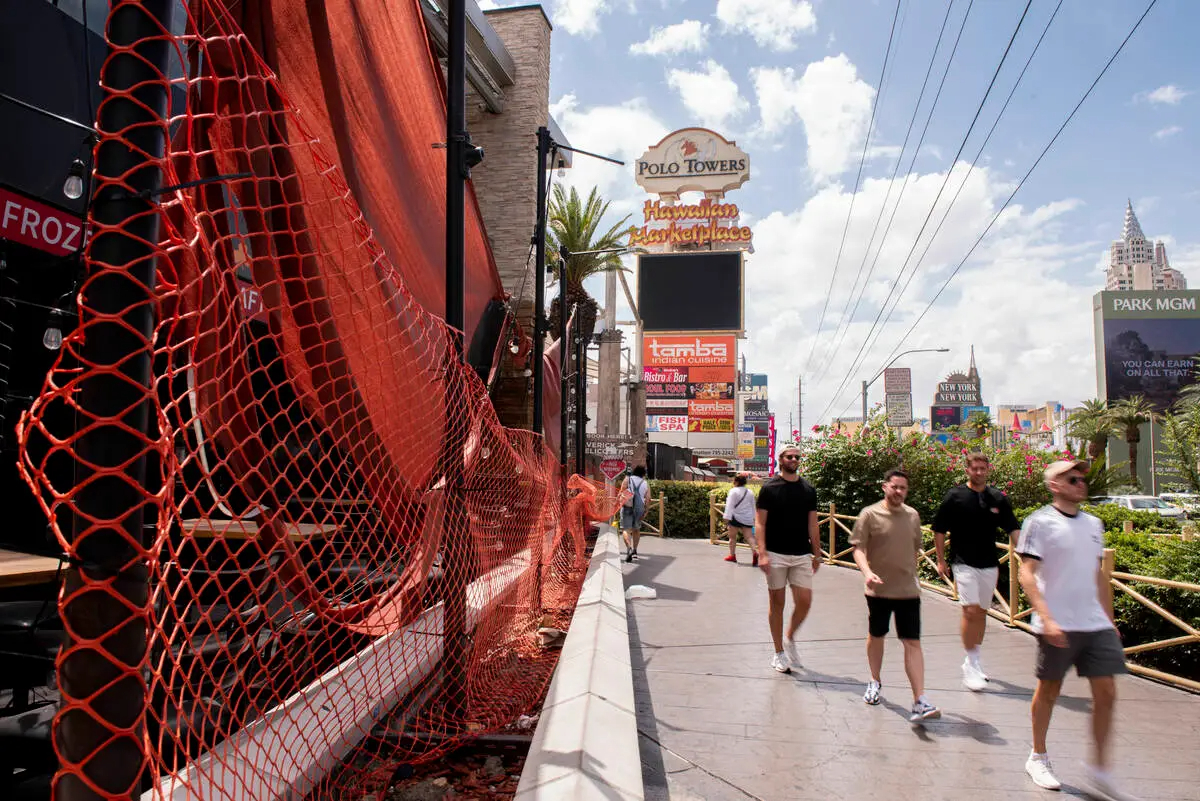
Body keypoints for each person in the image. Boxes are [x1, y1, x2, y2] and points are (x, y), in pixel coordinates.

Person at [1018, 460, 1137, 800]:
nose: (1080, 483)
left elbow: (1098, 575)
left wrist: (1109, 621)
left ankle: (1100, 769)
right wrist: (1047, 618)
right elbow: (1027, 573)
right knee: (1050, 690)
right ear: (1055, 485)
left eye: (1082, 478)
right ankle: (1037, 756)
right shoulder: (1039, 522)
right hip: (1056, 622)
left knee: (1107, 693)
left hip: (1094, 623)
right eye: (1072, 478)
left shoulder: (1093, 524)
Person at [851, 469, 941, 724]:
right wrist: (867, 572)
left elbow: (914, 551)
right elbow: (858, 548)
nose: (899, 492)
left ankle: (919, 700)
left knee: (912, 641)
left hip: (908, 592)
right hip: (878, 590)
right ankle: (875, 680)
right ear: (885, 487)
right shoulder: (869, 514)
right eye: (895, 487)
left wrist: (913, 577)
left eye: (903, 488)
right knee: (877, 635)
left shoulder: (912, 515)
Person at [932, 452, 1021, 691]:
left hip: (989, 563)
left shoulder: (997, 498)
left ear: (988, 469)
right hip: (963, 562)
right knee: (970, 611)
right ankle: (971, 664)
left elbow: (1013, 528)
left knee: (982, 613)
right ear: (967, 470)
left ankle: (974, 658)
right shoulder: (955, 496)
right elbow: (939, 529)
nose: (979, 472)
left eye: (983, 468)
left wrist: (1026, 554)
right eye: (975, 468)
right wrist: (941, 561)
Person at [754, 445, 821, 673]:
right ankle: (778, 652)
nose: (793, 459)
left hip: (802, 553)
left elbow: (813, 523)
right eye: (789, 456)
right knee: (777, 603)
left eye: (797, 457)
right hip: (775, 553)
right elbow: (760, 523)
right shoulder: (769, 488)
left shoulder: (808, 490)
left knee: (805, 600)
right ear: (780, 459)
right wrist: (762, 553)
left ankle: (790, 636)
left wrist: (818, 552)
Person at [722, 473, 758, 565]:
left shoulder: (733, 491)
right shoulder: (750, 492)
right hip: (747, 517)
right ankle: (755, 552)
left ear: (736, 482)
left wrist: (726, 517)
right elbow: (753, 506)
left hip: (735, 517)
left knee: (732, 537)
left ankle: (732, 555)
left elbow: (729, 505)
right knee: (749, 537)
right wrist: (754, 518)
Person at [619, 465, 650, 563]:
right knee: (636, 530)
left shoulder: (627, 479)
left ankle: (629, 548)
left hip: (627, 506)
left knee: (626, 530)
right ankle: (635, 551)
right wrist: (646, 510)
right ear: (643, 474)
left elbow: (621, 491)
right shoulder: (645, 483)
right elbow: (648, 498)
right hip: (639, 508)